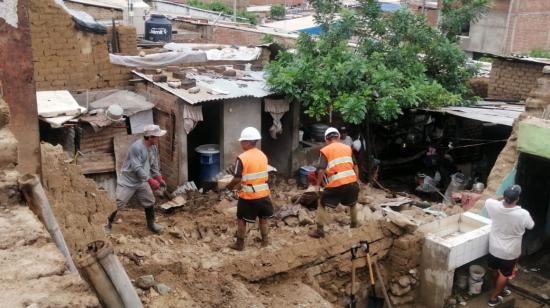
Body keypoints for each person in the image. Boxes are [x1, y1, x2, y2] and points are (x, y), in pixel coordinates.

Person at [105, 124, 167, 234]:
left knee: (149, 201)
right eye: (157, 136)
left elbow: (154, 164)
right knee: (118, 202)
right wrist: (150, 180)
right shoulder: (137, 148)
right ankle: (107, 224)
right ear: (150, 137)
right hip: (128, 181)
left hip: (142, 181)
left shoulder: (153, 147)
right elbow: (136, 167)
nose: (159, 138)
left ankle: (151, 224)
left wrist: (158, 177)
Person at [225, 127, 274, 251]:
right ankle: (265, 241)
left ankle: (239, 244)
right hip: (264, 194)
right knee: (263, 219)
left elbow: (237, 179)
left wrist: (228, 187)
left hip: (249, 196)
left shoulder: (242, 157)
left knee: (241, 219)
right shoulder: (263, 155)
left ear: (248, 142)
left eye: (242, 141)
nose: (241, 143)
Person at [485, 185, 534, 307]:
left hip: (494, 248)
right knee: (504, 274)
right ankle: (493, 298)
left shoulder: (492, 205)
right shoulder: (523, 214)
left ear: (504, 197)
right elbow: (531, 226)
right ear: (517, 199)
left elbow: (492, 200)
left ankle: (496, 288)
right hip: (510, 252)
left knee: (494, 270)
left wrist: (503, 198)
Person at [309, 127, 360, 238]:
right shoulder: (347, 148)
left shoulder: (325, 150)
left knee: (322, 203)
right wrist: (357, 180)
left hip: (337, 183)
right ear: (338, 137)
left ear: (326, 139)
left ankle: (320, 231)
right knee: (353, 203)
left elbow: (321, 169)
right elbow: (355, 165)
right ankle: (354, 224)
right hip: (352, 181)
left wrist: (317, 185)